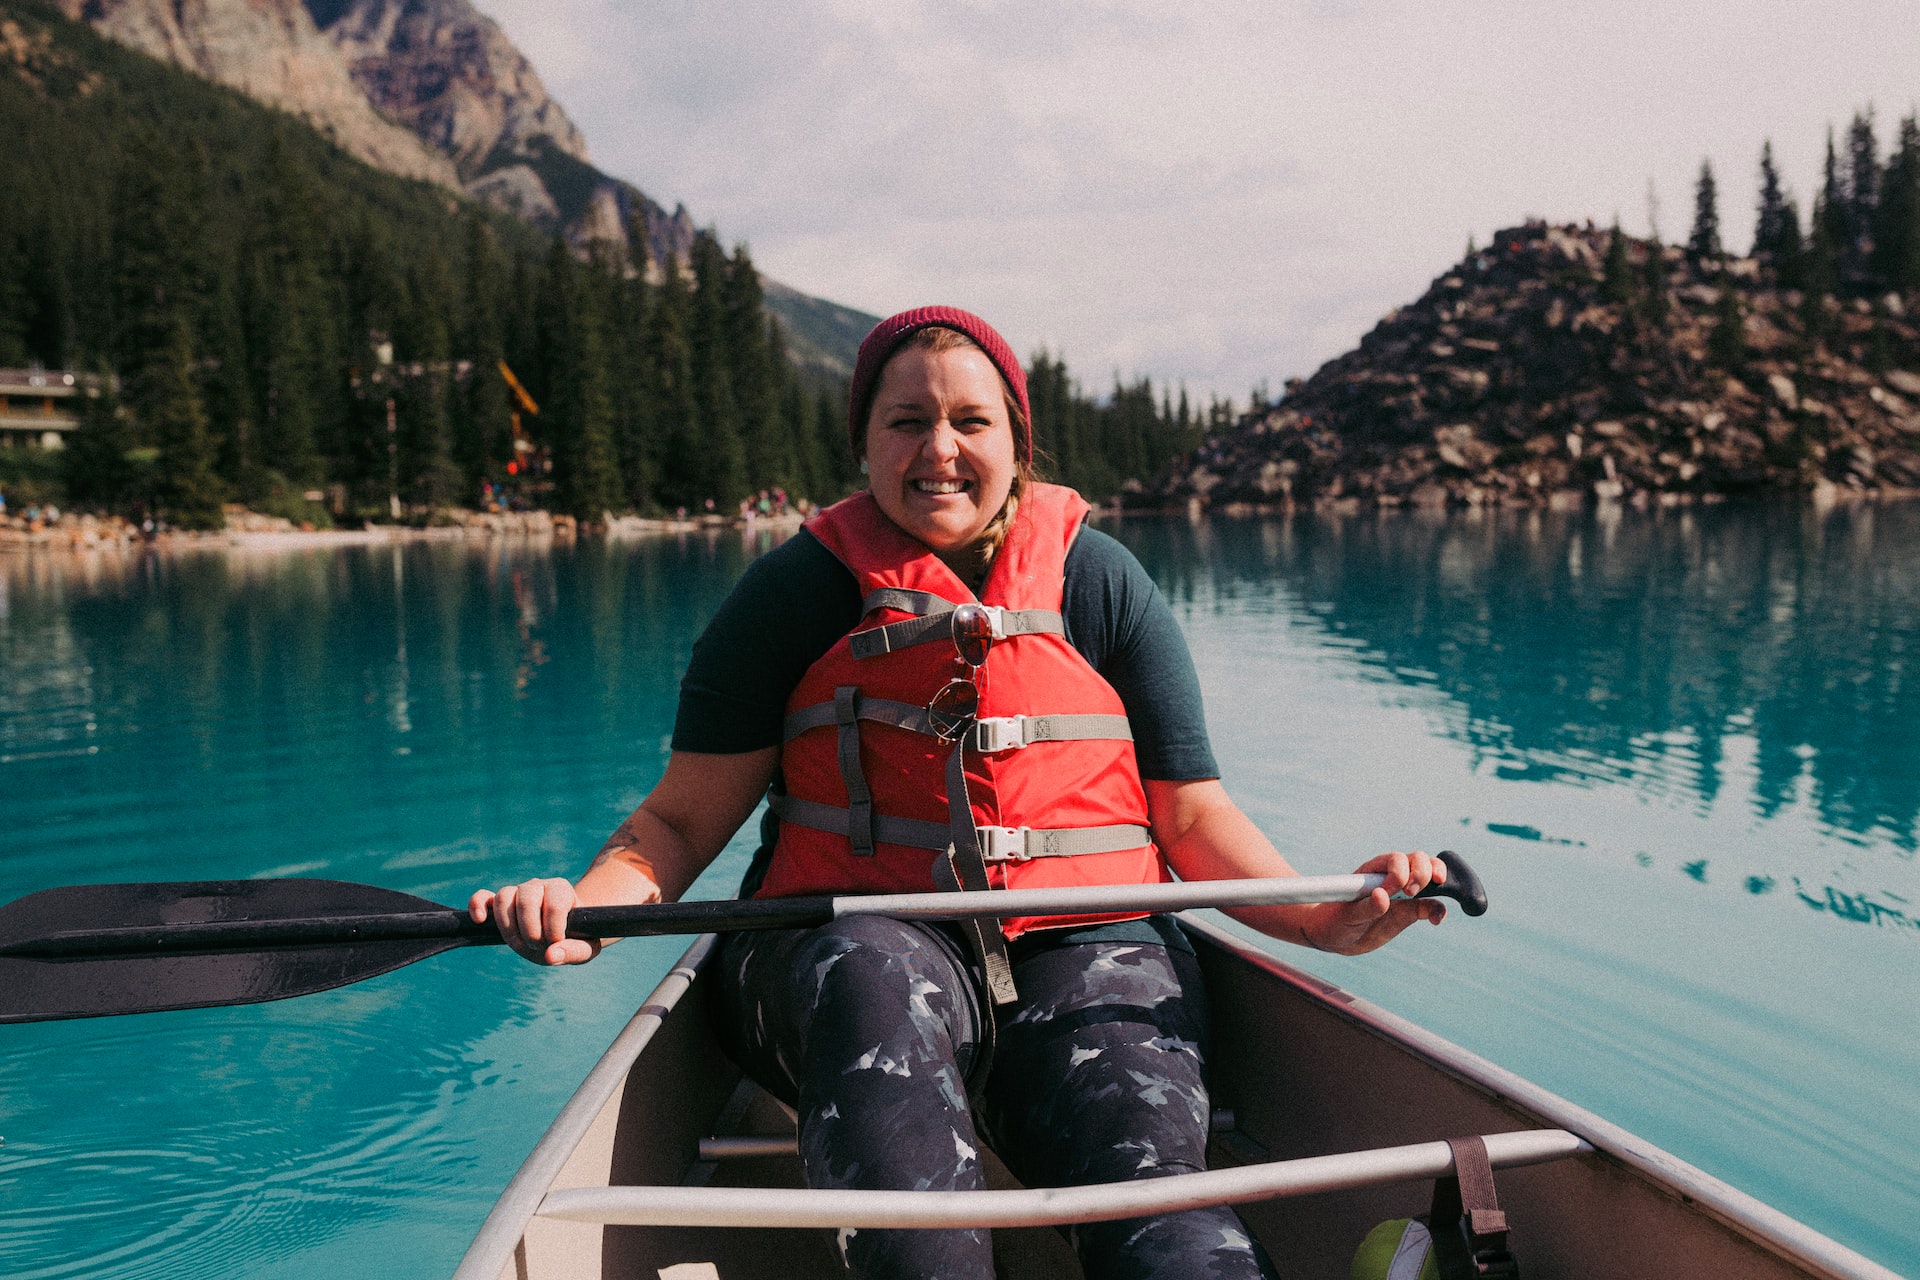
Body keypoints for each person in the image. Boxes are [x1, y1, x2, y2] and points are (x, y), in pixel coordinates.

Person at [472, 306, 1449, 1280]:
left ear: (1018, 444)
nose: (939, 448)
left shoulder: (1101, 581)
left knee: (1154, 1196)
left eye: (971, 421)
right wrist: (585, 908)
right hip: (850, 937)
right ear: (863, 444)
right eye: (906, 421)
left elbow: (1191, 815)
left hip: (1086, 942)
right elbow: (680, 821)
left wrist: (1321, 919)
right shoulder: (790, 595)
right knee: (868, 983)